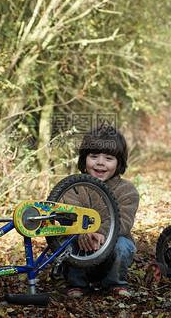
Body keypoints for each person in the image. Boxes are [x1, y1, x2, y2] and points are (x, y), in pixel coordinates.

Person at [65, 125, 140, 298]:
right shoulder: (73, 186)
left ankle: (114, 283)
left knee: (123, 244)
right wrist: (84, 233)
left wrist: (101, 231)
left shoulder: (127, 190)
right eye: (93, 156)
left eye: (108, 158)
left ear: (119, 162)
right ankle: (76, 284)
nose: (100, 162)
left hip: (111, 252)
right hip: (80, 251)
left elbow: (124, 220)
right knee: (66, 240)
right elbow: (68, 215)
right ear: (84, 159)